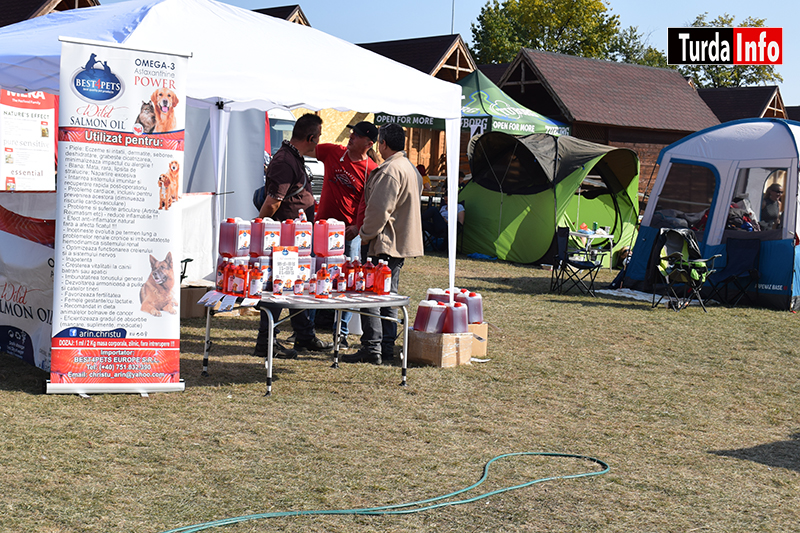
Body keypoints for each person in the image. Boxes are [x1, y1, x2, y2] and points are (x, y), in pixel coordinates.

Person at [343, 124, 424, 365]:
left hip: (384, 243)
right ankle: (385, 345)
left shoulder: (390, 171)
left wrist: (364, 234)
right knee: (389, 296)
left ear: (383, 144)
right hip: (398, 242)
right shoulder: (409, 168)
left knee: (373, 296)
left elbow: (379, 211)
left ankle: (373, 347)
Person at [254, 113, 333, 359]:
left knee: (298, 286)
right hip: (284, 240)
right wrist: (261, 225)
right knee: (277, 290)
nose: (318, 142)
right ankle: (266, 342)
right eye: (318, 138)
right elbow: (272, 202)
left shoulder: (292, 157)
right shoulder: (285, 161)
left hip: (296, 237)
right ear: (310, 138)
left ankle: (304, 335)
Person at [314, 121, 379, 346]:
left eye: (358, 135)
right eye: (352, 132)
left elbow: (369, 202)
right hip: (321, 229)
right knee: (314, 277)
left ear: (369, 143)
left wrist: (358, 226)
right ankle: (306, 331)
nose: (351, 136)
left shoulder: (371, 169)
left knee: (348, 282)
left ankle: (340, 333)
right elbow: (308, 147)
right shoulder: (333, 152)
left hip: (348, 233)